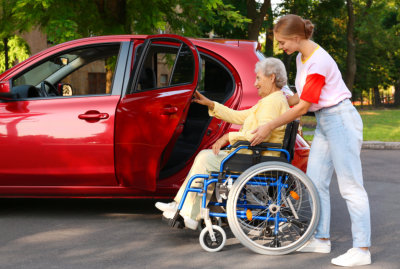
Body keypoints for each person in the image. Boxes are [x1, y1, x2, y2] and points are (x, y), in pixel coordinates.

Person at [250, 14, 371, 267]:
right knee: (315, 182)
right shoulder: (300, 57)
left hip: (341, 120)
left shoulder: (318, 63)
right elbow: (298, 98)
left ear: (296, 38)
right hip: (326, 122)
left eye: (283, 42)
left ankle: (362, 248)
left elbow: (303, 107)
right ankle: (321, 238)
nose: (281, 47)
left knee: (350, 187)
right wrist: (271, 103)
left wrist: (270, 124)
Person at [155, 57, 290, 230]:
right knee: (208, 158)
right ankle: (187, 211)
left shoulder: (273, 102)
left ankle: (185, 210)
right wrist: (211, 104)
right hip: (254, 155)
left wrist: (228, 137)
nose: (255, 84)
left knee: (206, 158)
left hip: (257, 158)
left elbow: (260, 135)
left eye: (258, 78)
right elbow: (238, 116)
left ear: (271, 77)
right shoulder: (271, 101)